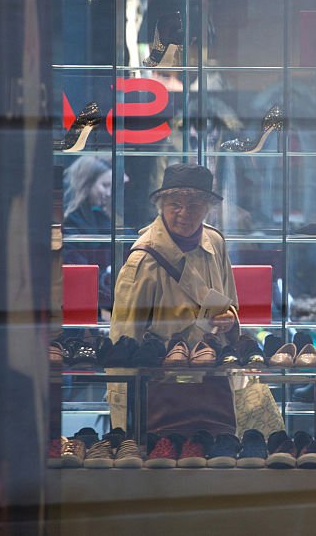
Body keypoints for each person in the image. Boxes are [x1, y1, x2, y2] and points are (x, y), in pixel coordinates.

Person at [109, 163, 240, 435]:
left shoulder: (215, 242)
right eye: (175, 204)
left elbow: (230, 302)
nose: (184, 213)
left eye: (194, 204)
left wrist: (230, 318)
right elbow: (124, 337)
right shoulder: (143, 259)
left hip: (212, 377)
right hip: (163, 385)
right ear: (161, 205)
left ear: (207, 208)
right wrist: (123, 413)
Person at [62, 156, 119, 320]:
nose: (108, 193)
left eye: (110, 186)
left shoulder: (98, 216)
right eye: (105, 185)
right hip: (78, 303)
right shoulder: (71, 220)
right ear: (87, 184)